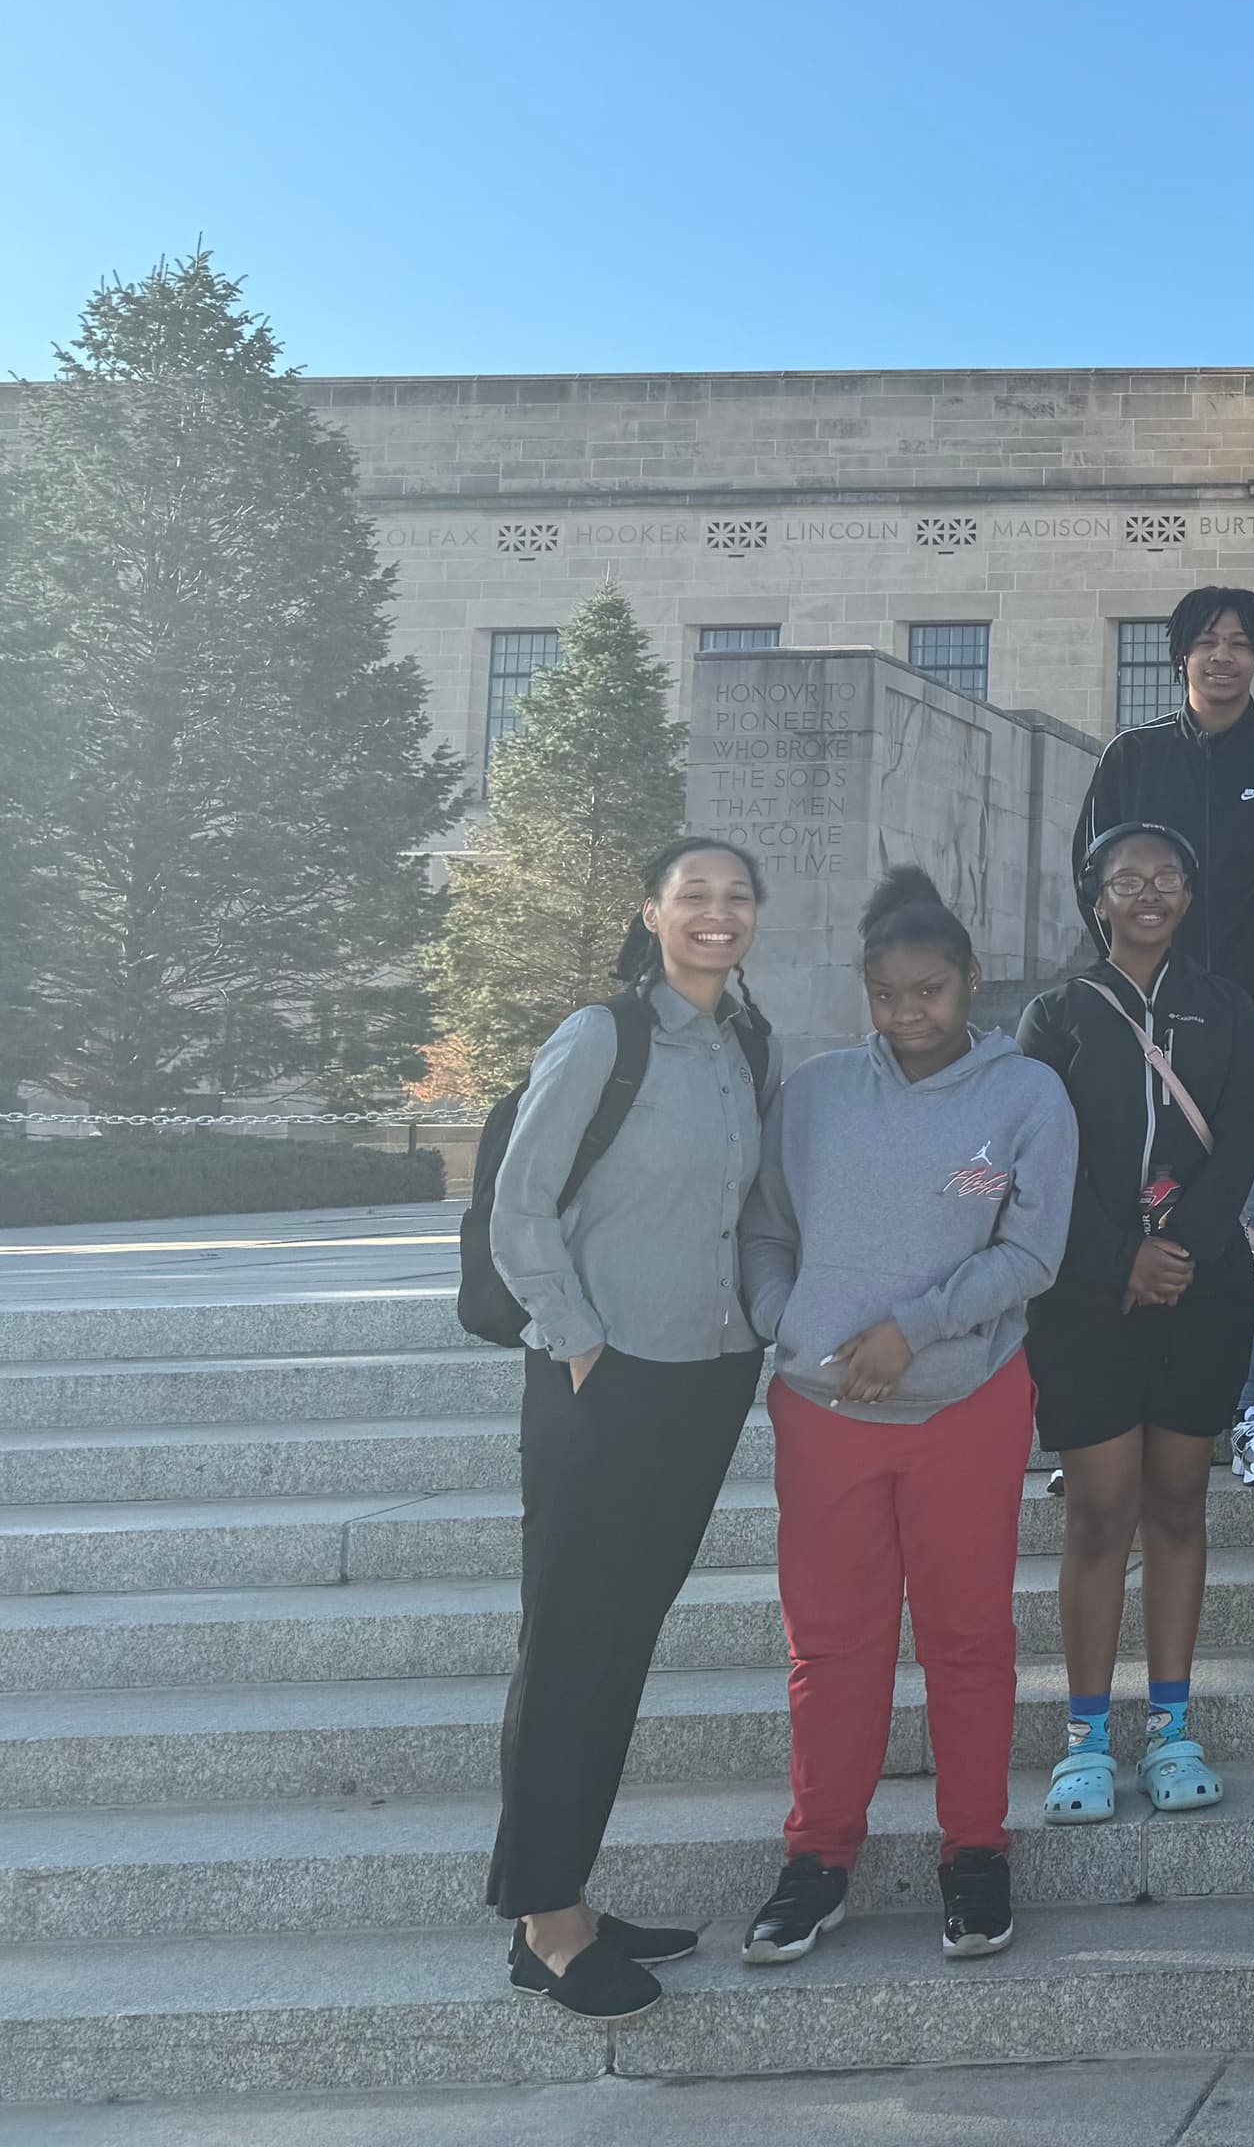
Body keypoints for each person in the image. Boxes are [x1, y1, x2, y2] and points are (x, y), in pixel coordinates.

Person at [737, 868, 1072, 1965]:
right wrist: (798, 1329)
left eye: (930, 991)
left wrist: (911, 1331)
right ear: (865, 992)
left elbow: (1031, 1252)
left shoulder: (1026, 1097)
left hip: (965, 1405)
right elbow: (765, 1230)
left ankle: (973, 1851)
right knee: (831, 1643)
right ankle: (817, 1857)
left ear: (970, 983)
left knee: (968, 1638)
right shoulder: (819, 1093)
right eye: (888, 994)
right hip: (823, 1411)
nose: (909, 1013)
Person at [484, 837, 778, 2018]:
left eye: (737, 898)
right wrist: (576, 1339)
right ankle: (545, 1924)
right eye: (694, 896)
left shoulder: (750, 1047)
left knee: (622, 1644)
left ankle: (569, 1895)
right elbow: (519, 1201)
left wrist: (759, 1320)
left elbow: (747, 1208)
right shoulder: (604, 1038)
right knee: (569, 1646)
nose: (717, 915)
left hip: (706, 1377)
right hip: (598, 1381)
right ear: (651, 913)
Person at [1018, 823, 1254, 1823]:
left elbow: (1245, 1133)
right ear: (1097, 901)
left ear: (1191, 895)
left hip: (1199, 1293)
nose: (1149, 893)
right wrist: (1117, 1257)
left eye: (1167, 877)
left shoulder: (1226, 1009)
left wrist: (1183, 1251)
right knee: (1097, 1514)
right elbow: (1040, 1159)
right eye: (1128, 881)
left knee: (1177, 1505)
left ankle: (1171, 1724)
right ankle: (1084, 1734)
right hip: (1086, 1300)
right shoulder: (1057, 1015)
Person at [1073, 583, 1254, 1495]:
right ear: (1180, 654)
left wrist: (1228, 985)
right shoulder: (1131, 758)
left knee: (1252, 1207)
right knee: (1125, 1193)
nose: (1223, 656)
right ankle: (1118, 1409)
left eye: (1240, 642)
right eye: (1206, 642)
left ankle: (1252, 1406)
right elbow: (1091, 873)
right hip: (1137, 1007)